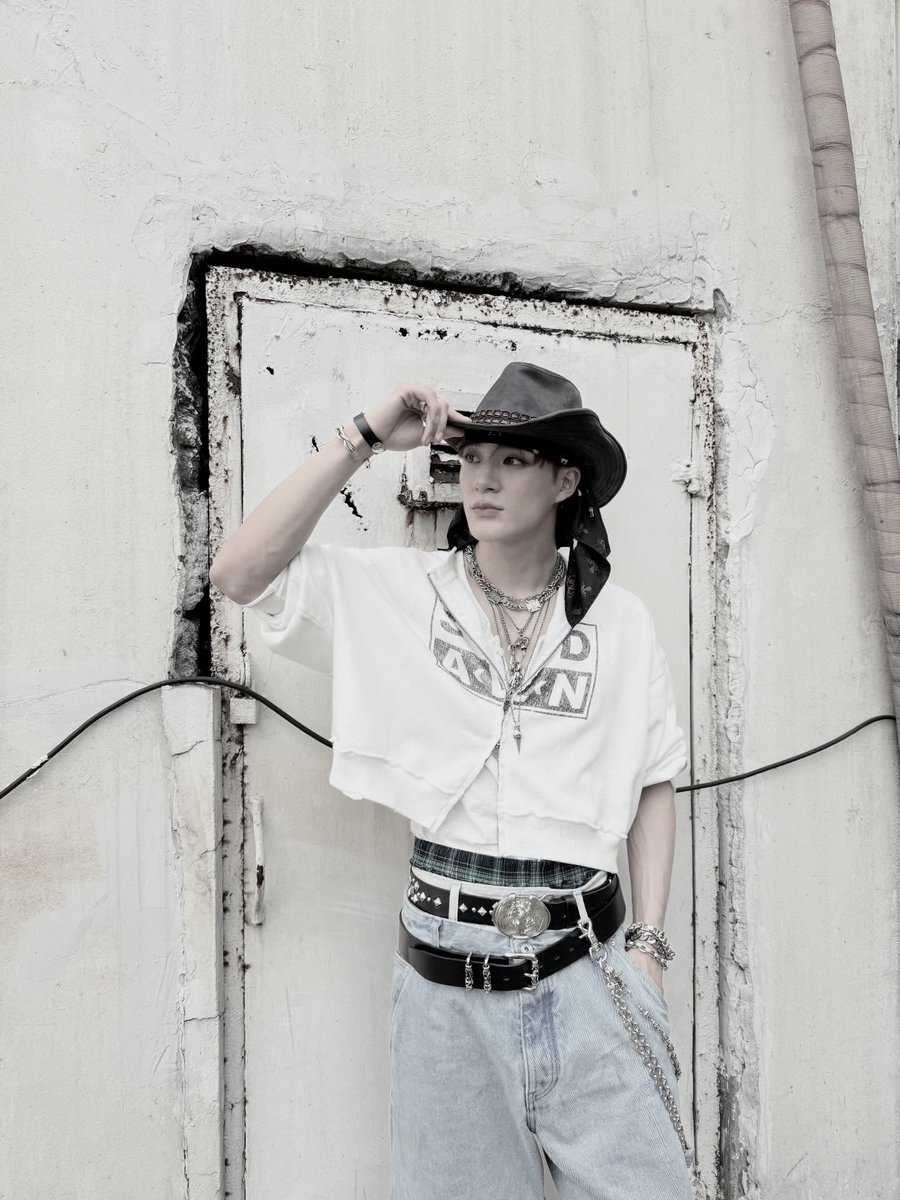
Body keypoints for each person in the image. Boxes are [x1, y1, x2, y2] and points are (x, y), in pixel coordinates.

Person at [210, 361, 694, 1199]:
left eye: (512, 460)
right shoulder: (403, 594)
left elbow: (656, 777)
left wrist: (648, 950)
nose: (482, 479)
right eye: (472, 458)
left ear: (564, 478)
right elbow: (239, 574)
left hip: (590, 971)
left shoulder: (620, 622)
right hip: (445, 982)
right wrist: (362, 437)